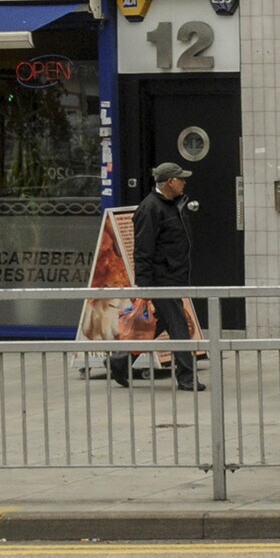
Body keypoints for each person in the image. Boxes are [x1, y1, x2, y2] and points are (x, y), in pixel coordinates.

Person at [111, 161, 202, 392]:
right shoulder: (150, 208)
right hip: (162, 280)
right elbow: (142, 250)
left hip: (174, 276)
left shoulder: (173, 204)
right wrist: (144, 287)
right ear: (170, 181)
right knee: (179, 325)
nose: (184, 182)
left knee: (159, 322)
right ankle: (187, 377)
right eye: (181, 178)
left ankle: (120, 360)